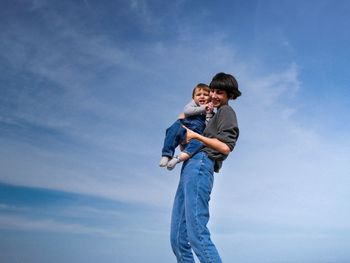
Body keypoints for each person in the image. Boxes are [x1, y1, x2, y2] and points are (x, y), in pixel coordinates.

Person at [170, 72, 241, 263]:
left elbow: (226, 147)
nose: (215, 96)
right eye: (213, 91)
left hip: (201, 164)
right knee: (177, 239)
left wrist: (197, 137)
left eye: (220, 93)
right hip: (188, 167)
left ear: (229, 95)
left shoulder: (226, 112)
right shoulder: (209, 116)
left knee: (197, 234)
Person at [159, 83, 214, 170]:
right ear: (193, 98)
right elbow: (187, 111)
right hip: (184, 127)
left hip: (196, 134)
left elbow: (208, 127)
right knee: (173, 130)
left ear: (210, 98)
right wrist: (203, 108)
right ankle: (167, 154)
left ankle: (177, 159)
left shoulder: (211, 113)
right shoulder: (192, 104)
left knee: (199, 143)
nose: (202, 96)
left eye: (205, 95)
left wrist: (208, 114)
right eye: (198, 94)